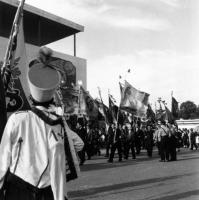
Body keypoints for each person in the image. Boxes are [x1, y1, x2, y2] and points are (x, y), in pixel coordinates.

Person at [0, 47, 84, 200]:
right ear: (52, 98)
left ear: (31, 97)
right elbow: (59, 171)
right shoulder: (59, 125)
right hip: (48, 193)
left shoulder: (16, 119)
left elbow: (2, 159)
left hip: (17, 192)